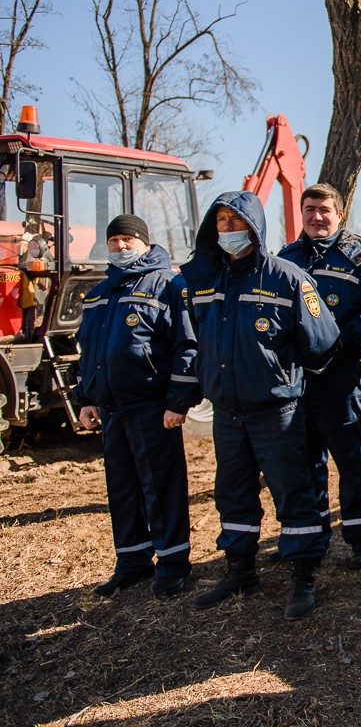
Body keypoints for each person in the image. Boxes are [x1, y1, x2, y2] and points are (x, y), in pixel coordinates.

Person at [181, 191, 340, 620]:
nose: (230, 230)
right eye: (222, 223)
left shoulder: (289, 279)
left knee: (294, 494)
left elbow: (323, 343)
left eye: (238, 222)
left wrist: (283, 376)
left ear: (255, 227)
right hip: (227, 414)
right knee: (233, 495)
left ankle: (303, 574)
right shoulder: (202, 280)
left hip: (277, 413)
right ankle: (239, 571)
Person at [75, 215, 202, 599]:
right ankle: (132, 561)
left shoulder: (169, 285)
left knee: (161, 489)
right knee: (123, 488)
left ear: (145, 243)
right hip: (111, 409)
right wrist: (86, 398)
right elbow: (88, 353)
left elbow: (187, 345)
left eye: (128, 239)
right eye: (114, 240)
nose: (120, 246)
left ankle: (173, 564)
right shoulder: (99, 293)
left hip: (152, 408)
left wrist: (178, 402)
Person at [278, 183, 361, 569]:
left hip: (343, 378)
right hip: (298, 383)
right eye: (309, 209)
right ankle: (311, 539)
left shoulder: (359, 258)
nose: (316, 217)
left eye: (324, 210)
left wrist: (337, 343)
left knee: (353, 461)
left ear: (339, 214)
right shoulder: (286, 259)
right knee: (306, 465)